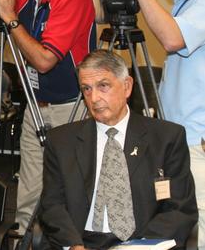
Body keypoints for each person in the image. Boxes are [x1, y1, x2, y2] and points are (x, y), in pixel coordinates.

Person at [0, 0, 96, 232]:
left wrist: (12, 20)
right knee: (27, 194)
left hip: (71, 109)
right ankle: (24, 238)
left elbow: (44, 61)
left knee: (67, 197)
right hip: (34, 106)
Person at [39, 50, 197, 249]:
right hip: (81, 241)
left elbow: (180, 208)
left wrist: (141, 247)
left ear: (127, 86)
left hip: (143, 242)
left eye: (103, 86)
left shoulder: (166, 138)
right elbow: (52, 206)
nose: (94, 98)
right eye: (86, 89)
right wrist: (73, 245)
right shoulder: (61, 141)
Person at [113, 0, 205, 248]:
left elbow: (171, 38)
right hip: (180, 137)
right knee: (172, 227)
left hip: (198, 142)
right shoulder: (186, 2)